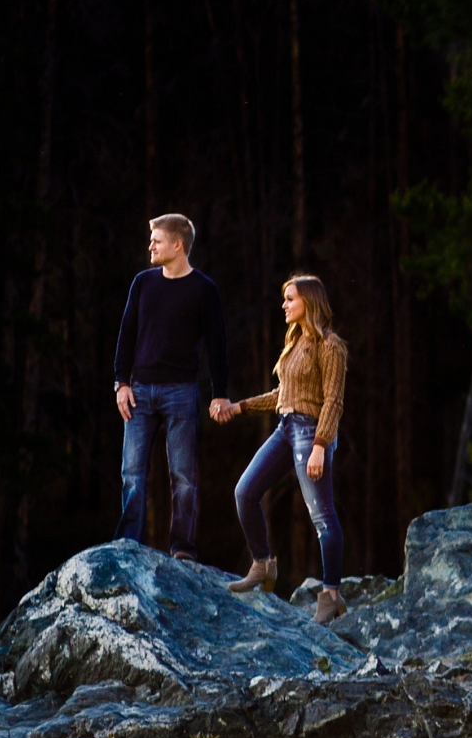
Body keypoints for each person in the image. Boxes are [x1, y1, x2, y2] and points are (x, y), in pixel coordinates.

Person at [211, 273, 353, 621]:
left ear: (309, 301)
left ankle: (331, 593)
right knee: (244, 492)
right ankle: (263, 564)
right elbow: (282, 395)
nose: (284, 305)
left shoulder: (330, 345)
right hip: (285, 428)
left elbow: (333, 401)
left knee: (322, 517)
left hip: (311, 433)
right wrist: (239, 406)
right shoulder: (294, 342)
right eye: (284, 298)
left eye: (290, 298)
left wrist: (321, 444)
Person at [110, 214, 235, 553]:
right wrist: (121, 382)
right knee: (132, 472)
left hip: (181, 392)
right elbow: (126, 335)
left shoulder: (204, 290)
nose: (150, 245)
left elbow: (217, 346)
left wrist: (219, 394)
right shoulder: (143, 283)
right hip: (139, 392)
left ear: (177, 245)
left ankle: (182, 549)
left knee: (184, 478)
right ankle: (128, 546)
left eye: (157, 239)